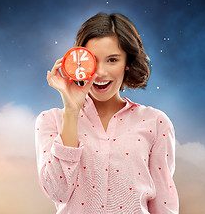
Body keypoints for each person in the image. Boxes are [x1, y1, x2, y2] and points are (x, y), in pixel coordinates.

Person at [35, 13, 179, 213]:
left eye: (112, 60)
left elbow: (164, 203)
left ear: (127, 64)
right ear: (79, 61)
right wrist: (71, 111)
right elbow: (57, 192)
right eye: (92, 60)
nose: (100, 72)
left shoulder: (155, 123)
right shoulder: (50, 121)